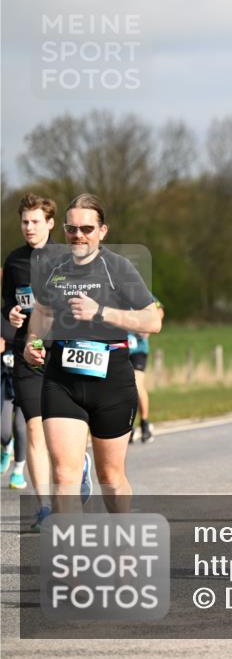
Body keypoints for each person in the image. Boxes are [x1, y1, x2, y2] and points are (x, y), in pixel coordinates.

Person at [22, 193, 162, 515]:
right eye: (72, 229)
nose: (78, 236)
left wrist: (101, 312)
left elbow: (151, 320)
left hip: (111, 378)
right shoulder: (53, 266)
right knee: (63, 475)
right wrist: (33, 342)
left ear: (102, 231)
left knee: (110, 478)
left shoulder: (119, 268)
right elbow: (42, 312)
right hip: (62, 379)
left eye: (87, 229)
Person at [3, 193, 85, 528]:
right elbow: (6, 307)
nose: (29, 227)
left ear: (50, 223)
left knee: (61, 433)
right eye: (24, 221)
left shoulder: (69, 259)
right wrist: (9, 316)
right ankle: (44, 508)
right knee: (34, 428)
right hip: (28, 354)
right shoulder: (14, 261)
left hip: (64, 351)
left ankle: (79, 467)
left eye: (36, 221)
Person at [127, 296, 164, 444]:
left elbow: (159, 310)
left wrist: (149, 326)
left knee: (136, 384)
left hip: (138, 349)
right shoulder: (110, 289)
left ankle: (144, 422)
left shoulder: (137, 289)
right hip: (120, 348)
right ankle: (127, 426)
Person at [2, 324, 28, 489]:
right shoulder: (4, 314)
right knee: (3, 431)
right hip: (5, 379)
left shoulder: (37, 312)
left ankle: (18, 471)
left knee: (20, 427)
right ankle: (6, 447)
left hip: (28, 377)